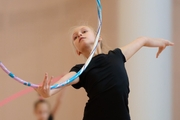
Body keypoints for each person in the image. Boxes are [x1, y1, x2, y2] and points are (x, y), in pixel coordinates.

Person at [35, 25, 174, 120]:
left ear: (98, 38)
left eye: (84, 31)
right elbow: (62, 83)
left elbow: (142, 40)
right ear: (77, 50)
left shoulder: (117, 55)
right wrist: (48, 92)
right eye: (75, 37)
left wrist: (161, 42)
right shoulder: (80, 70)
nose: (79, 35)